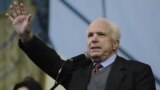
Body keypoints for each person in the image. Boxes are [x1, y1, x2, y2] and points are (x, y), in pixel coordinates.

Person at [6, 1, 156, 90]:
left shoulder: (138, 71)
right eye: (90, 35)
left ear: (115, 43)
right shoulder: (76, 71)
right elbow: (50, 61)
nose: (93, 39)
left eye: (101, 34)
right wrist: (26, 36)